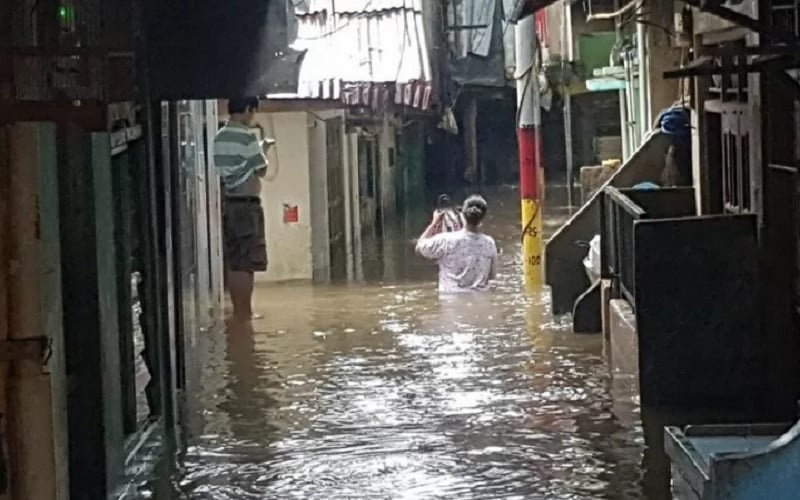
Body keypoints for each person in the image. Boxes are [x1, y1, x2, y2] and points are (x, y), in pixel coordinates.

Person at [214, 97, 276, 322]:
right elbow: (260, 169)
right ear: (249, 109)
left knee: (234, 259)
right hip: (246, 204)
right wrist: (264, 149)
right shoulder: (246, 137)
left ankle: (239, 313)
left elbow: (235, 166)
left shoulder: (220, 136)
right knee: (247, 261)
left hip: (229, 203)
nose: (253, 117)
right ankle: (245, 314)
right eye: (253, 112)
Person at [415, 194, 498, 293]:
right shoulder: (489, 243)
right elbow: (492, 275)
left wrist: (434, 222)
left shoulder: (446, 240)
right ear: (482, 218)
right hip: (480, 300)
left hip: (450, 300)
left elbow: (419, 247)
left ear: (463, 214)